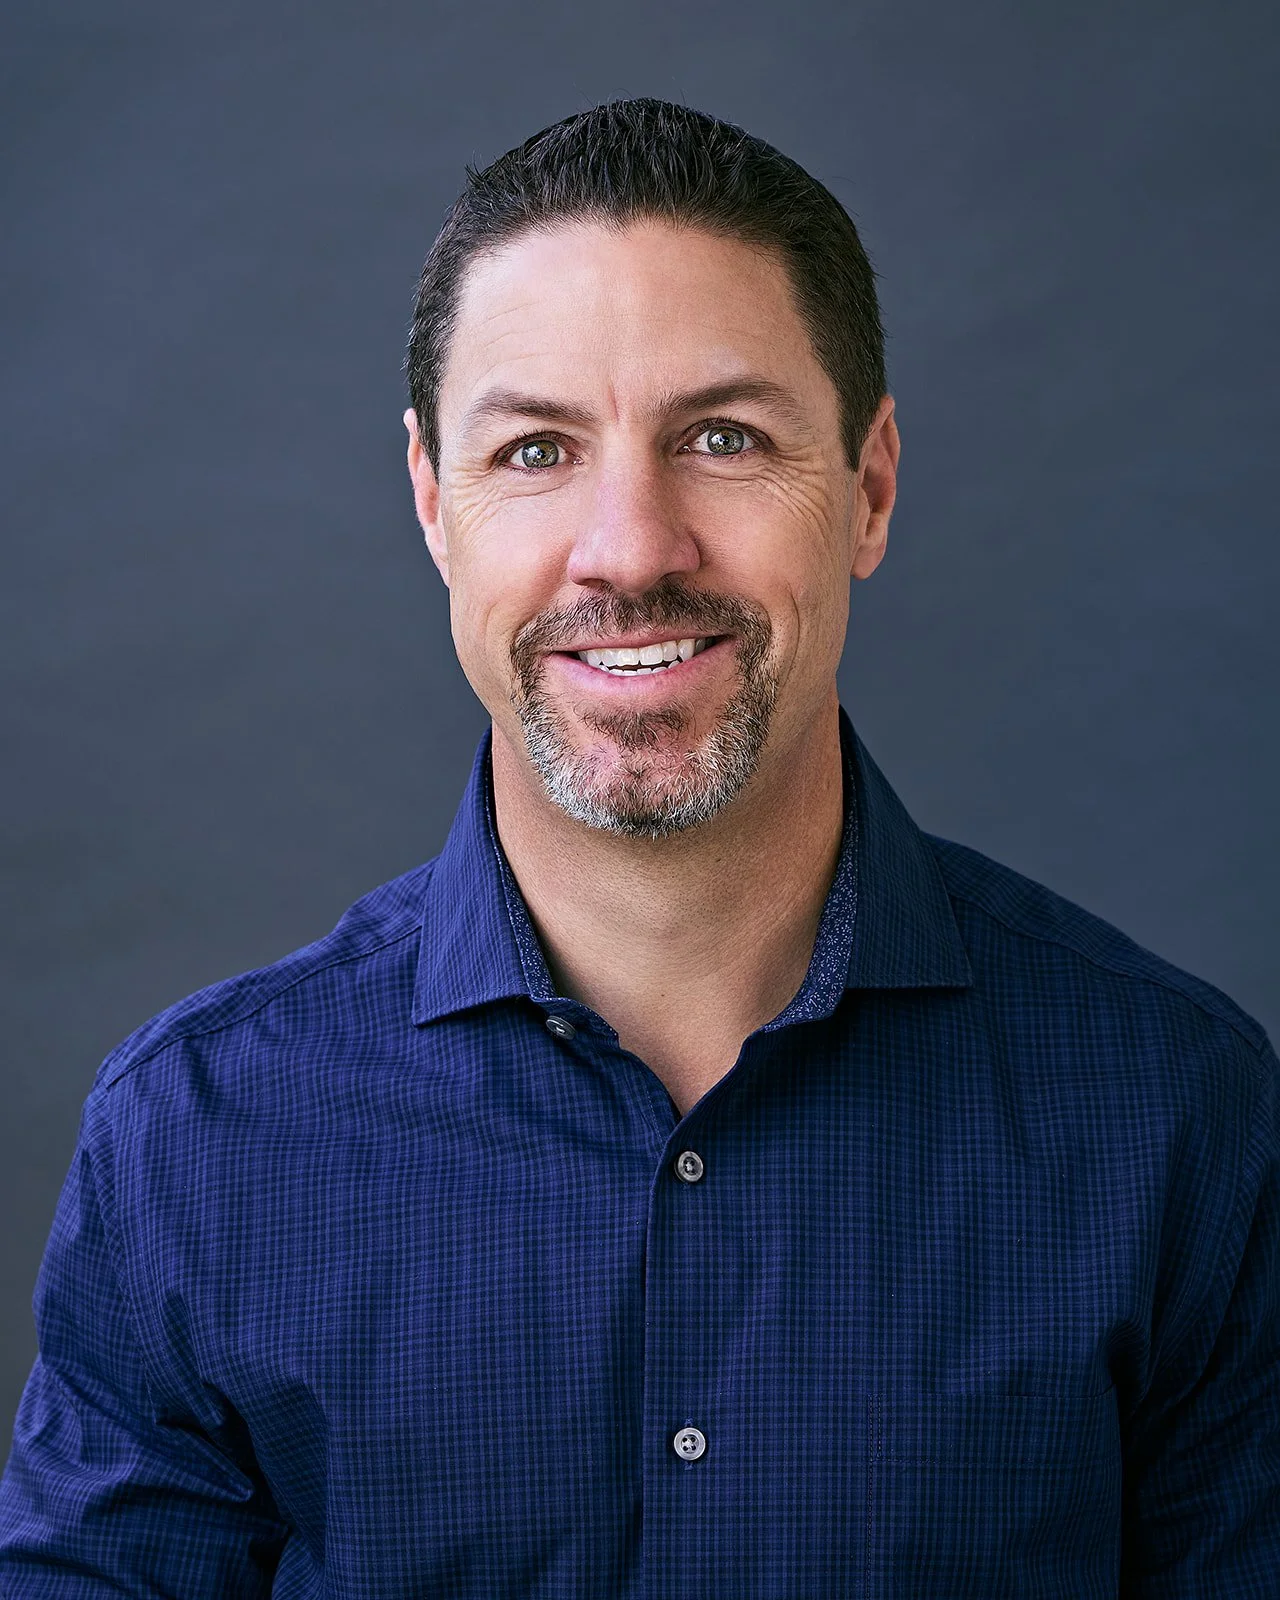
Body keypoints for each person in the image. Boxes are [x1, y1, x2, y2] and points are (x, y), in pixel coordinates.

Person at [0, 96, 1275, 1598]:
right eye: (538, 448)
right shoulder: (198, 1142)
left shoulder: (1176, 1118)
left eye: (723, 437)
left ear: (867, 488)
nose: (630, 546)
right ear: (432, 502)